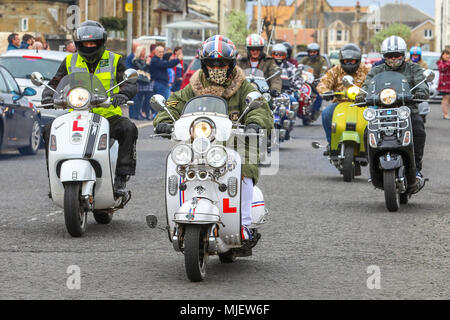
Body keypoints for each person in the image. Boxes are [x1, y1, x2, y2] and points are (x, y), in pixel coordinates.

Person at [153, 35, 274, 241]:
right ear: (204, 64)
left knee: (245, 165)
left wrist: (255, 123)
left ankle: (243, 223)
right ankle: (176, 219)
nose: (216, 68)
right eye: (211, 63)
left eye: (222, 63)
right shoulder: (194, 87)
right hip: (198, 143)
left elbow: (261, 108)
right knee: (178, 164)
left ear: (231, 64)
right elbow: (173, 103)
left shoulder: (244, 86)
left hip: (236, 142)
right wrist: (164, 120)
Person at [41, 20, 138, 197]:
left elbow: (129, 82)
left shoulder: (114, 60)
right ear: (79, 44)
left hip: (108, 115)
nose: (89, 45)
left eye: (93, 42)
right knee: (49, 129)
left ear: (102, 42)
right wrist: (48, 95)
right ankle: (53, 180)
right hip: (77, 115)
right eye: (85, 43)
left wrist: (123, 94)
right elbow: (56, 81)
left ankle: (121, 177)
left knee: (128, 128)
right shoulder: (70, 60)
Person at [357, 35, 428, 178]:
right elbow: (367, 85)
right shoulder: (377, 70)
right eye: (390, 56)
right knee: (367, 132)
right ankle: (374, 167)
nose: (394, 59)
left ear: (403, 55)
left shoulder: (413, 68)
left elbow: (423, 85)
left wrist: (421, 92)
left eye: (397, 55)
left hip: (406, 110)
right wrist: (361, 95)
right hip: (382, 110)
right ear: (385, 56)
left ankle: (416, 168)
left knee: (419, 130)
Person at [317, 43, 371, 153]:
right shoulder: (335, 70)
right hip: (339, 104)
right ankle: (332, 144)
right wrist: (326, 92)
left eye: (353, 61)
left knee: (375, 118)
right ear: (341, 60)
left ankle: (372, 145)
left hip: (363, 104)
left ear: (358, 60)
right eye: (347, 61)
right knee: (326, 114)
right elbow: (323, 83)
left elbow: (376, 81)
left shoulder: (367, 69)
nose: (350, 63)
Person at [299, 43, 328, 119]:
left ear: (317, 52)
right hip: (305, 81)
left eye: (314, 52)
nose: (312, 54)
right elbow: (298, 65)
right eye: (310, 52)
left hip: (315, 82)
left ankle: (315, 110)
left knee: (320, 94)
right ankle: (298, 109)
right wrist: (297, 69)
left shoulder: (322, 61)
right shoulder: (305, 59)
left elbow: (324, 70)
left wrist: (322, 76)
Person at [132, 45, 154, 120]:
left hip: (148, 81)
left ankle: (147, 114)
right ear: (140, 52)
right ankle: (137, 114)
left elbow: (150, 69)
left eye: (145, 51)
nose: (144, 52)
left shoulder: (146, 59)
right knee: (139, 99)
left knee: (148, 99)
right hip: (140, 81)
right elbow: (141, 68)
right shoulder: (135, 60)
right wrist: (147, 63)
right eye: (143, 51)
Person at [437, 50, 450, 119]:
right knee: (445, 99)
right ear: (442, 55)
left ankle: (446, 113)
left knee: (448, 100)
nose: (447, 56)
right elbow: (442, 68)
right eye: (445, 54)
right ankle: (445, 114)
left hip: (449, 84)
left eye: (448, 54)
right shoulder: (440, 62)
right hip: (445, 85)